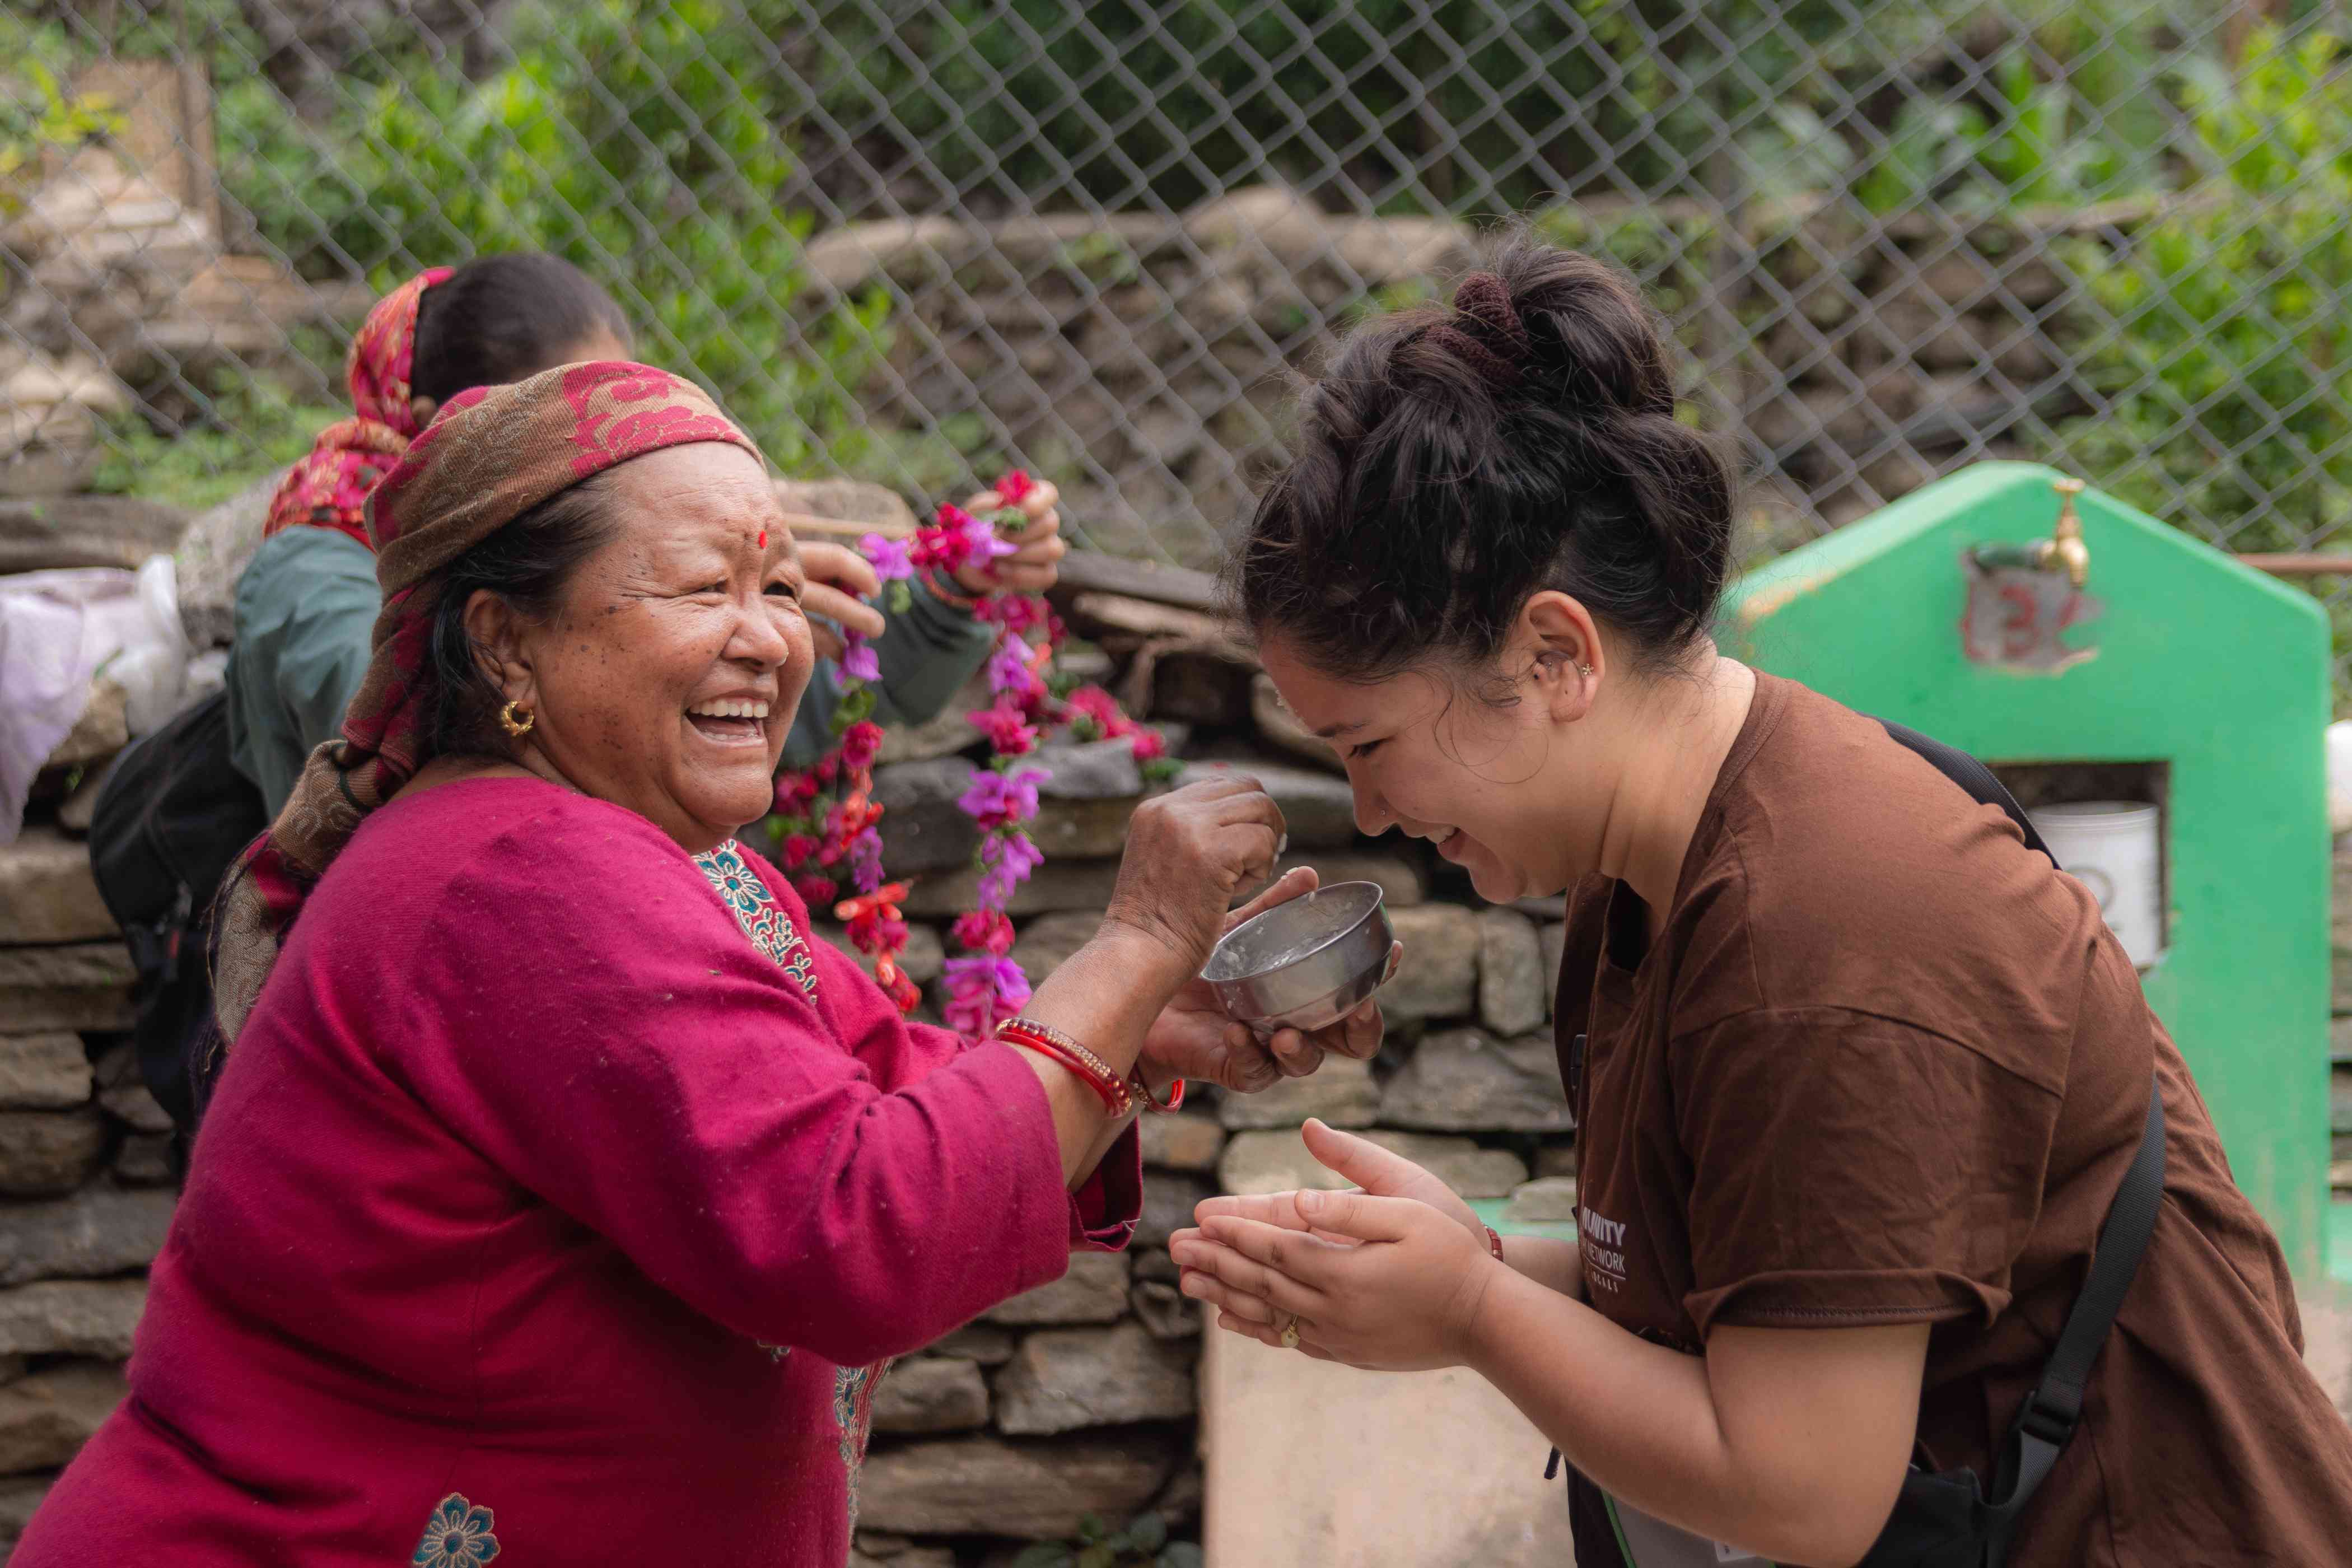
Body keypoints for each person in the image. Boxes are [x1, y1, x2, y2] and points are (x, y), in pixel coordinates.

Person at [16, 361, 1385, 1565]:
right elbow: (856, 1222)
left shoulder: (661, 861)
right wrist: (1138, 939)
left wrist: (1147, 1024)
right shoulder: (520, 875)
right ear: (506, 639)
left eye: (780, 585)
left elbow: (898, 1092)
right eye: (702, 587)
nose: (770, 636)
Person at [1169, 239, 2352, 1567]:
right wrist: (1480, 1258)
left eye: (1370, 745)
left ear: (1557, 655)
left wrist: (1469, 1314)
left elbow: (1800, 1485)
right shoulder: (1651, 864)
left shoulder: (1827, 933)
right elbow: (1757, 1295)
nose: (1371, 812)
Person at [229, 253, 1059, 815]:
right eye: (551, 433)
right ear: (432, 432)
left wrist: (950, 591)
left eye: (606, 420)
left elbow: (761, 709)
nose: (599, 463)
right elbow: (387, 711)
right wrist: (698, 600)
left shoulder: (603, 587)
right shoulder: (312, 564)